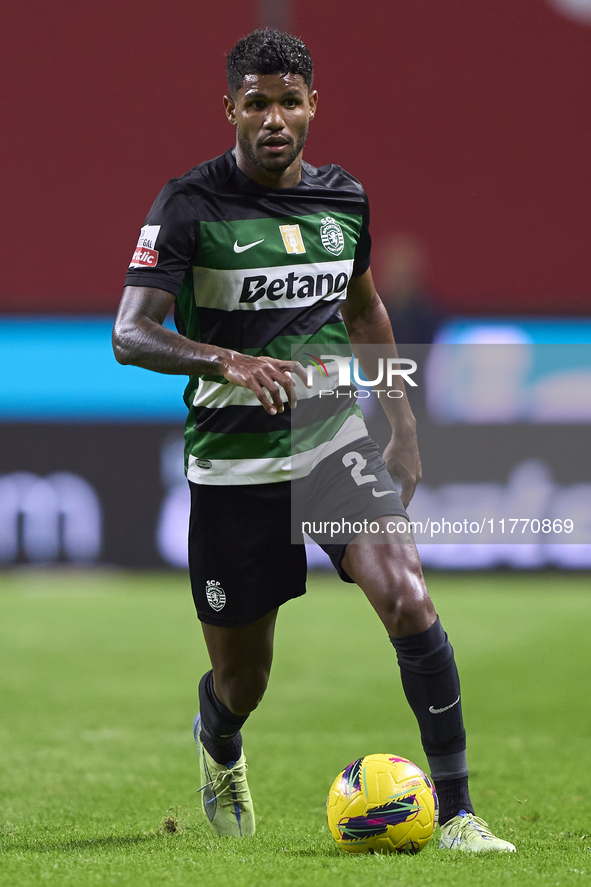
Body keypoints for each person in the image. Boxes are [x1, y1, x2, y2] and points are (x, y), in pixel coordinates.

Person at [112, 29, 515, 853]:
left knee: (407, 595)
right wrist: (223, 356)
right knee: (242, 680)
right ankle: (218, 737)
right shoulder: (188, 204)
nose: (273, 118)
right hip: (232, 468)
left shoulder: (342, 200)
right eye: (255, 103)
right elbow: (130, 334)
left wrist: (401, 424)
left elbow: (365, 313)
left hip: (333, 444)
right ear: (229, 108)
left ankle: (461, 813)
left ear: (311, 107)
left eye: (288, 102)